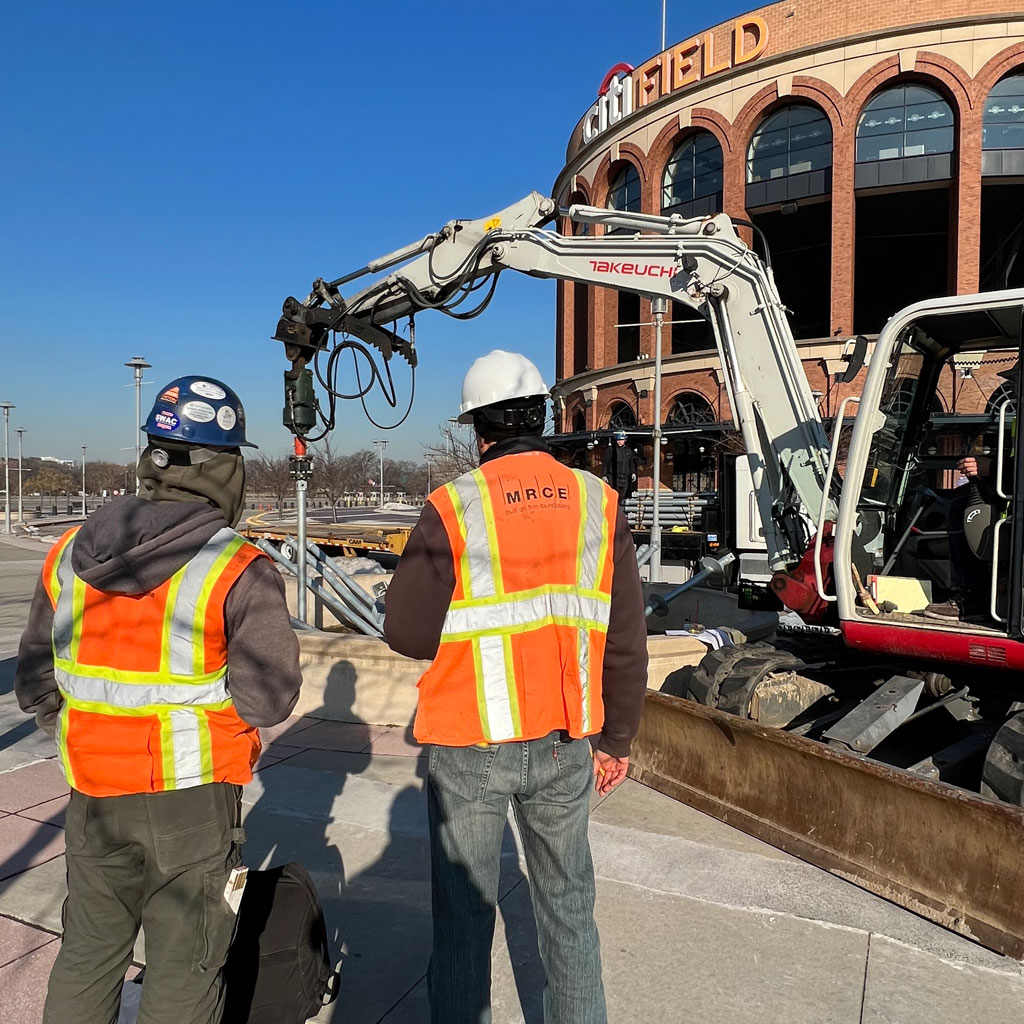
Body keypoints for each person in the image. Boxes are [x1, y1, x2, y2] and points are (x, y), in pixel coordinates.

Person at [14, 376, 303, 1024]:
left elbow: (35, 682)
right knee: (187, 969)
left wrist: (88, 727)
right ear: (225, 468)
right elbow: (269, 699)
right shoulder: (238, 566)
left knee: (87, 956)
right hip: (194, 805)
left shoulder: (66, 553)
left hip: (92, 798)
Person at [383, 349, 648, 1024]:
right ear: (544, 416)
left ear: (478, 431)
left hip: (470, 745)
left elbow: (408, 634)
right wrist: (615, 738)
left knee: (465, 922)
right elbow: (625, 639)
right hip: (565, 742)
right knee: (568, 912)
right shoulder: (598, 502)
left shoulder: (453, 507)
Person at [924, 363, 1017, 622]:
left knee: (960, 512)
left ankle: (971, 595)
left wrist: (993, 468)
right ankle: (972, 594)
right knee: (958, 506)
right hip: (1011, 500)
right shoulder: (1017, 419)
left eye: (1018, 380)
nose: (1016, 388)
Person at [601, 428, 637, 505]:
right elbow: (605, 463)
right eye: (618, 440)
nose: (619, 441)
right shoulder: (611, 450)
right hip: (613, 477)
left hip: (624, 477)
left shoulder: (628, 451)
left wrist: (633, 472)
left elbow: (631, 463)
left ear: (625, 440)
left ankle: (619, 509)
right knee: (614, 495)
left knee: (622, 495)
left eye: (621, 440)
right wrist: (604, 475)